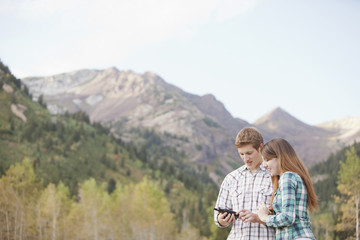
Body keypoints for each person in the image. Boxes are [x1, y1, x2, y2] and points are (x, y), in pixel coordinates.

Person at [214, 127, 275, 239]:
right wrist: (222, 220)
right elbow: (217, 218)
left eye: (249, 153)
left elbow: (285, 217)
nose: (245, 158)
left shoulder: (274, 176)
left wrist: (258, 217)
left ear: (260, 147)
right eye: (241, 154)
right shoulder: (231, 178)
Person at [257, 138, 318, 240]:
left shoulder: (287, 177)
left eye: (267, 160)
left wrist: (264, 217)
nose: (264, 165)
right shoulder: (292, 177)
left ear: (280, 157)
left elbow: (288, 218)